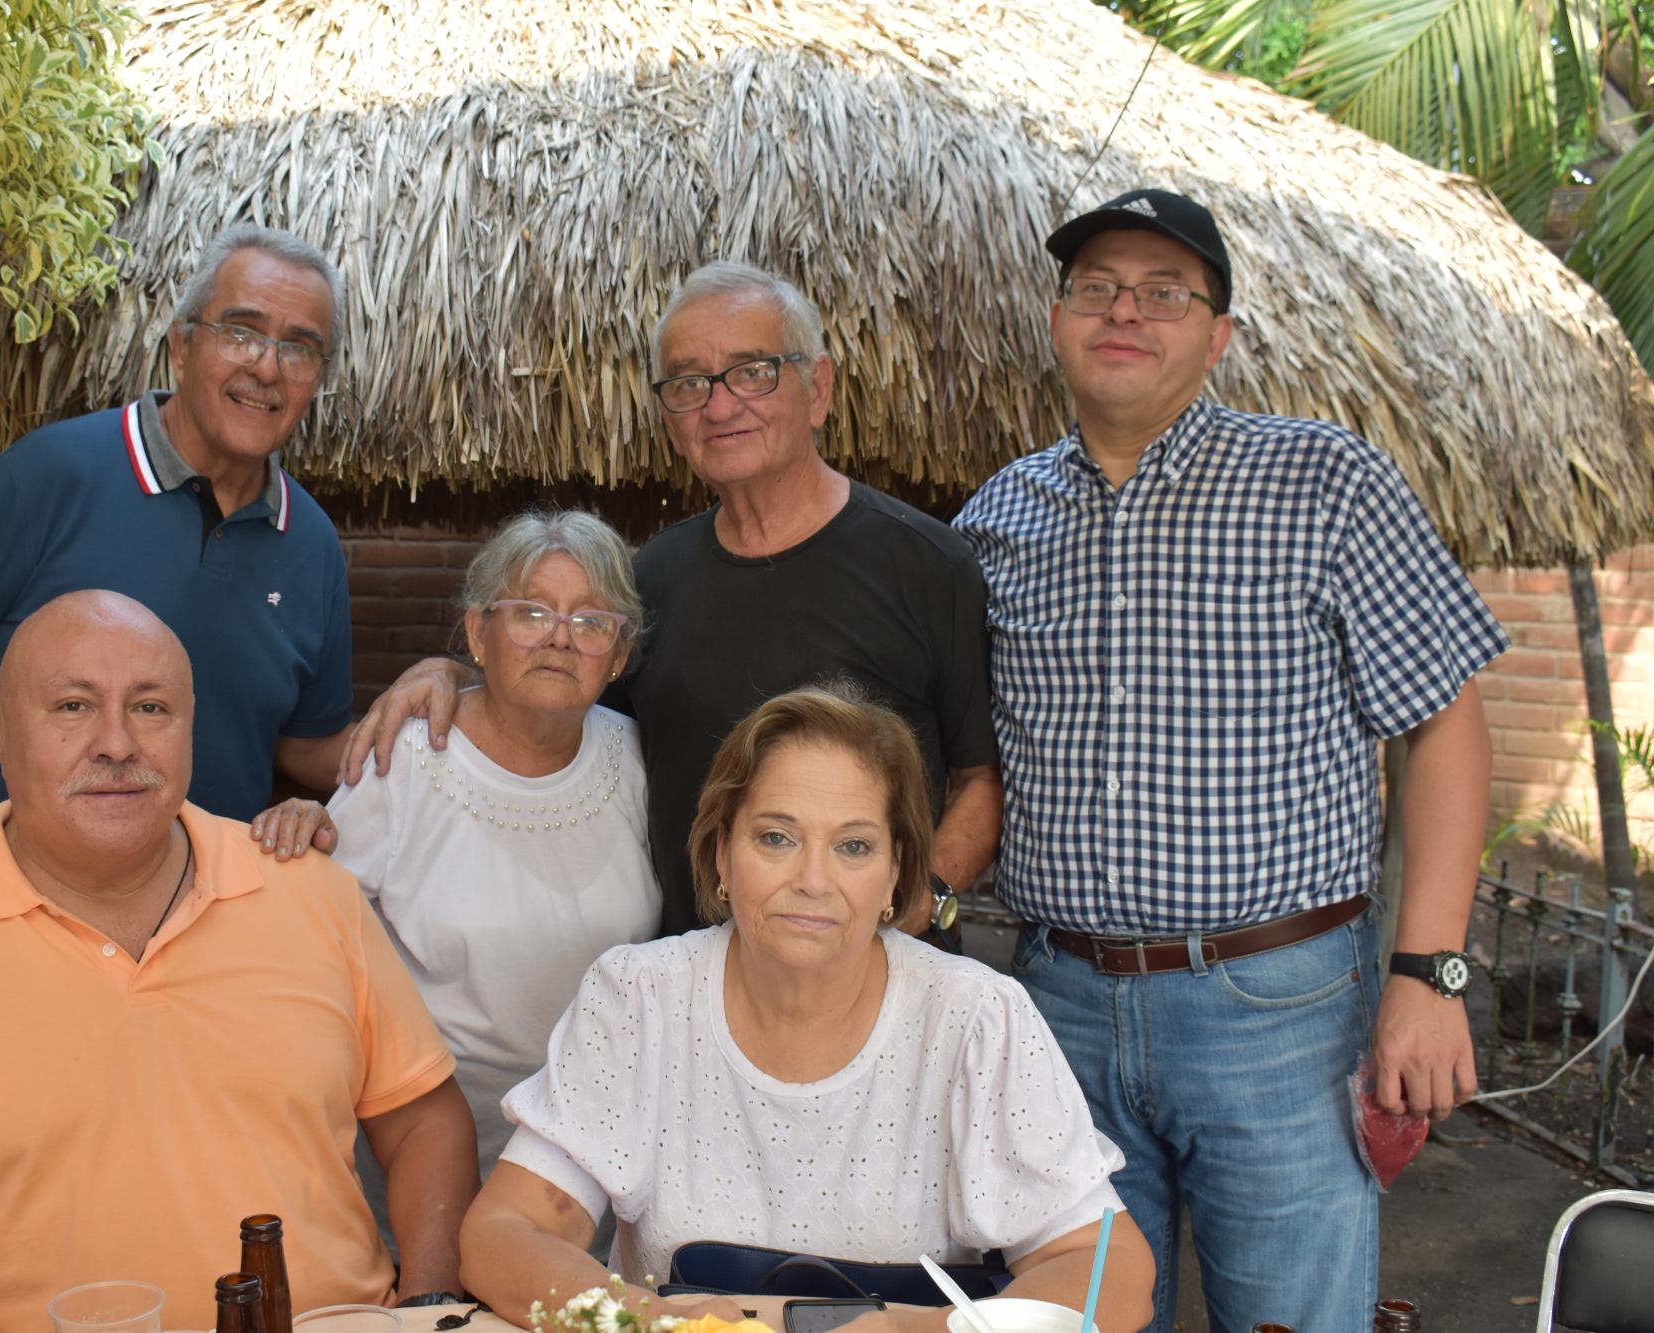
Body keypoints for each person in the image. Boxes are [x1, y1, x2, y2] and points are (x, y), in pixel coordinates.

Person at [949, 188, 1509, 1332]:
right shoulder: (996, 518)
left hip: (1277, 1005)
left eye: (1165, 293)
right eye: (1096, 287)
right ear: (1055, 320)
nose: (1124, 312)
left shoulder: (1324, 484)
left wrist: (1429, 973)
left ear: (1217, 337)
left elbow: (1441, 723)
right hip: (1055, 1001)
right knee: (1076, 1318)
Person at [0, 591, 476, 1333]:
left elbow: (424, 1122)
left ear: (190, 726)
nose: (116, 742)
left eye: (150, 708)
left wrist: (430, 1307)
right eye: (72, 706)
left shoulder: (309, 892)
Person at [458, 685, 1153, 1333]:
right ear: (722, 855)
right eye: (775, 837)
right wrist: (654, 1322)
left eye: (853, 845)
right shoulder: (639, 997)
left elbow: (1110, 1274)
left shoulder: (976, 1017)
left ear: (895, 872)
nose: (813, 880)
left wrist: (925, 1330)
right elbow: (504, 1232)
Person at [341, 262, 1000, 940]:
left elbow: (982, 777)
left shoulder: (929, 564)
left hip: (876, 976)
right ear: (667, 413)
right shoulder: (650, 580)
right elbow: (562, 706)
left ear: (819, 388)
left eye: (752, 371)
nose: (718, 406)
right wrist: (453, 671)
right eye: (689, 382)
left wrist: (928, 896)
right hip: (695, 996)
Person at [0, 224, 356, 881]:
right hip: (2, 918)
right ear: (182, 348)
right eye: (241, 331)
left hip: (198, 934)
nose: (267, 366)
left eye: (300, 349)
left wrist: (446, 703)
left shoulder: (312, 543)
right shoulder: (51, 474)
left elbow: (306, 747)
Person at [255, 510, 661, 1222]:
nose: (560, 638)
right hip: (424, 1139)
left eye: (592, 621)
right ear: (478, 633)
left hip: (592, 1149)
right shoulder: (407, 758)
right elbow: (314, 933)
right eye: (531, 612)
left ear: (619, 655)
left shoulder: (639, 762)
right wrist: (302, 829)